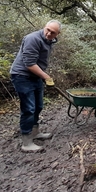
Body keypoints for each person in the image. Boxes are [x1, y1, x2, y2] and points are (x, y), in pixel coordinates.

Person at [10, 20, 61, 153]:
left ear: (57, 34)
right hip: (22, 76)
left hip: (35, 76)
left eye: (53, 32)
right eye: (47, 29)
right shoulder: (33, 38)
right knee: (28, 108)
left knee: (38, 106)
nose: (49, 33)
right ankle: (26, 142)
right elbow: (29, 63)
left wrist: (42, 76)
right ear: (44, 27)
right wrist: (46, 76)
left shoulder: (49, 41)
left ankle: (35, 132)